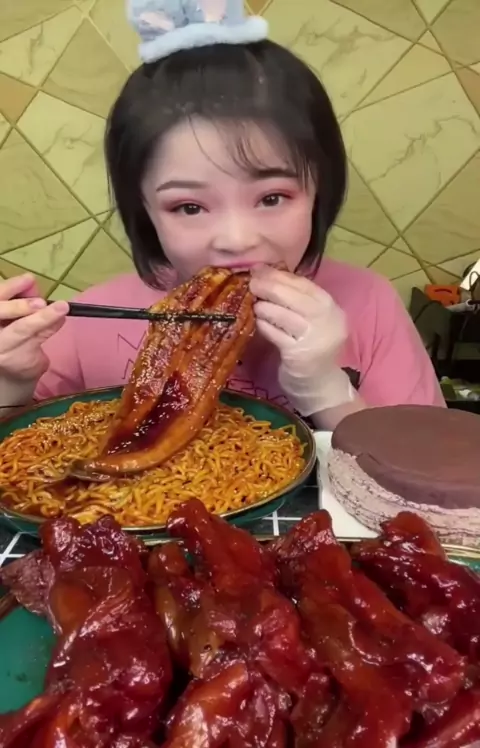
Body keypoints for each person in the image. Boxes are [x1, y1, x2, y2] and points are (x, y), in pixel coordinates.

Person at [0, 0, 444, 431]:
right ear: (145, 210)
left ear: (318, 190)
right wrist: (10, 384)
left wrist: (327, 390)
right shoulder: (84, 324)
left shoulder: (369, 303)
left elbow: (434, 470)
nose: (236, 238)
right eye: (189, 207)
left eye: (272, 197)